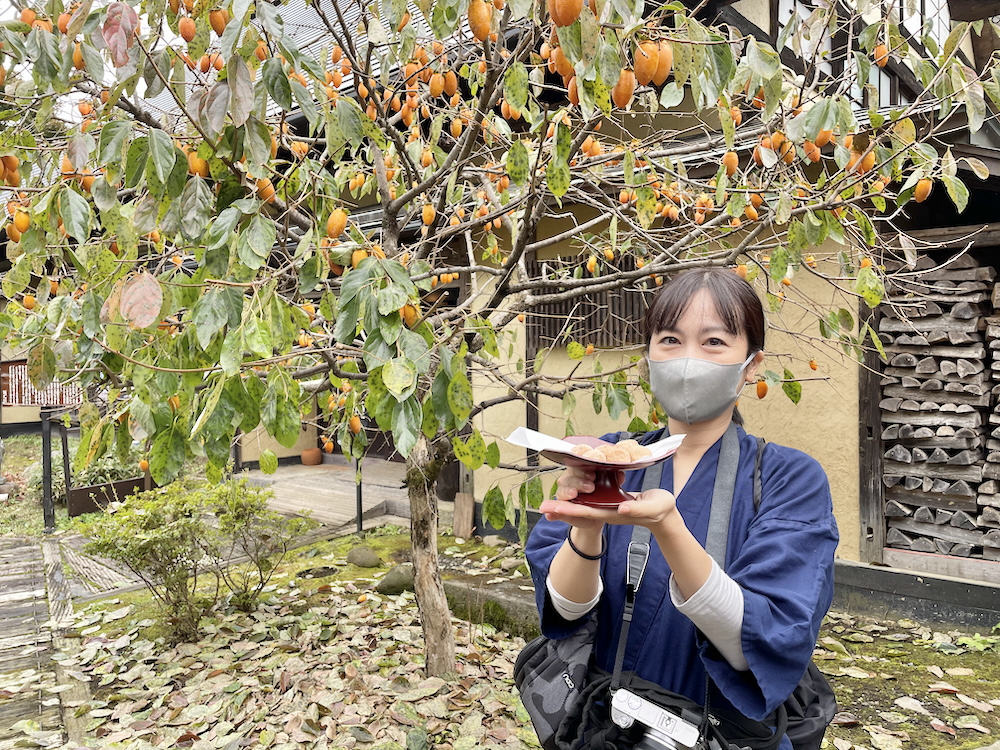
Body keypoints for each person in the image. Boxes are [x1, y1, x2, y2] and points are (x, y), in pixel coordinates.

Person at [524, 268, 839, 750]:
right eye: (670, 340)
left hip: (716, 732)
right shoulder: (610, 458)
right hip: (606, 729)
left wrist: (667, 525)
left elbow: (758, 640)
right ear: (649, 357)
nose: (688, 360)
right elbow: (565, 612)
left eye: (714, 342)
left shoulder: (788, 480)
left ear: (751, 365)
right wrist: (586, 526)